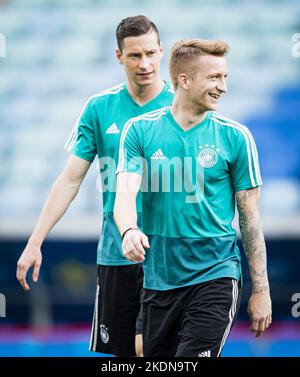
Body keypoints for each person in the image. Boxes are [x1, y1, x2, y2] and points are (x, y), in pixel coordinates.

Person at [16, 15, 174, 357]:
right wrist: (35, 240)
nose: (144, 64)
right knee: (123, 355)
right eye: (134, 56)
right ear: (119, 56)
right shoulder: (100, 108)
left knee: (153, 350)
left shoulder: (182, 107)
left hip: (170, 256)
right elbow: (70, 179)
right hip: (117, 254)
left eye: (150, 53)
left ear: (162, 51)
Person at [114, 39, 272, 357]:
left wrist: (261, 290)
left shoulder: (236, 137)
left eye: (225, 77)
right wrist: (128, 230)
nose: (223, 87)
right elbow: (125, 196)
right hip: (157, 280)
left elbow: (250, 220)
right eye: (214, 77)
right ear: (184, 80)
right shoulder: (139, 131)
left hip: (215, 275)